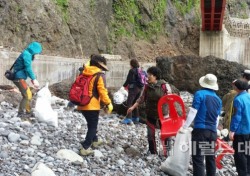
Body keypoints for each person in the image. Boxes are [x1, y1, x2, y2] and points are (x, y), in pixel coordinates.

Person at [181, 73, 222, 176]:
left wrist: (185, 126)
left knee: (198, 158)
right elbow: (217, 118)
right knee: (210, 157)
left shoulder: (199, 94)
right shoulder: (218, 99)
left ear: (204, 83)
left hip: (200, 131)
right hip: (212, 132)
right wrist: (215, 129)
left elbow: (193, 112)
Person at [77, 54, 113, 156]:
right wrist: (108, 103)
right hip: (92, 105)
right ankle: (85, 147)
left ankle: (95, 140)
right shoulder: (99, 75)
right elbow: (102, 91)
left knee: (91, 123)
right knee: (93, 125)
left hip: (82, 103)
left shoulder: (84, 72)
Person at [127, 66, 168, 154]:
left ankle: (167, 152)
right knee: (150, 134)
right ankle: (153, 152)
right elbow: (141, 98)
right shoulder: (147, 86)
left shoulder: (164, 86)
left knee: (165, 134)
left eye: (150, 75)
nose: (147, 76)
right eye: (148, 74)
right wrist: (132, 107)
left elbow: (170, 98)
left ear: (155, 76)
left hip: (162, 114)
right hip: (150, 113)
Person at [12, 41, 42, 118]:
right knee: (27, 95)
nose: (36, 54)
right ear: (34, 50)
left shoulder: (26, 53)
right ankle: (20, 113)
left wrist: (32, 79)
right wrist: (34, 79)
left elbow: (25, 69)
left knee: (28, 93)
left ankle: (28, 111)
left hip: (19, 77)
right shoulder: (27, 55)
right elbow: (28, 68)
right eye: (37, 52)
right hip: (19, 78)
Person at [229, 79, 250, 176]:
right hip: (248, 131)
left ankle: (243, 174)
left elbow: (237, 116)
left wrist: (232, 130)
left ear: (237, 88)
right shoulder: (248, 96)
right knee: (248, 153)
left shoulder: (238, 99)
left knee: (240, 155)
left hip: (241, 131)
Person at [120, 59, 143, 124]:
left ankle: (128, 118)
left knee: (129, 103)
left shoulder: (131, 71)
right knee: (135, 103)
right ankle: (136, 117)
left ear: (131, 64)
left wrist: (123, 86)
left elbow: (128, 80)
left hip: (133, 88)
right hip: (140, 88)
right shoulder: (140, 70)